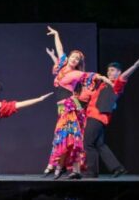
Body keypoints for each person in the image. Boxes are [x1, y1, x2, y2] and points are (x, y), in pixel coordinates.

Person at [42, 26, 109, 179]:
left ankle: (65, 168)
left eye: (77, 59)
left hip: (70, 106)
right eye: (73, 57)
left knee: (71, 136)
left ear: (79, 62)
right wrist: (57, 34)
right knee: (66, 136)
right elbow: (60, 49)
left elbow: (90, 75)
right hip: (62, 108)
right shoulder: (62, 66)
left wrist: (103, 78)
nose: (74, 59)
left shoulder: (77, 73)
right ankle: (66, 169)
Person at [80, 57, 139, 178]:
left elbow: (125, 76)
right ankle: (118, 168)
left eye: (113, 70)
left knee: (88, 143)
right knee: (99, 145)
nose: (109, 72)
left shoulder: (116, 84)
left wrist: (135, 65)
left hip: (97, 116)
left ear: (118, 72)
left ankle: (91, 172)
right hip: (95, 116)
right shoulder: (102, 84)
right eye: (108, 70)